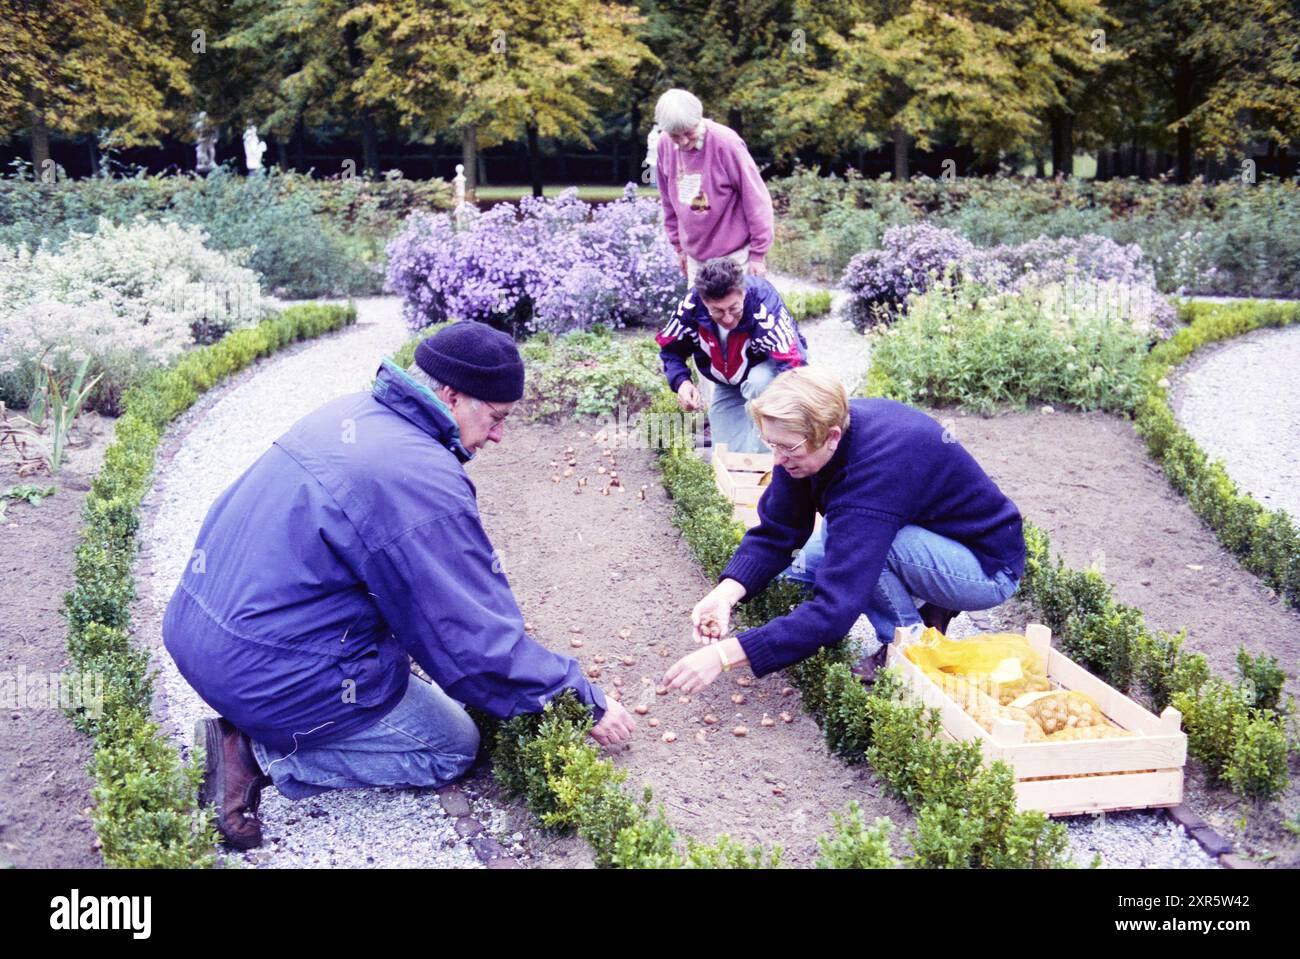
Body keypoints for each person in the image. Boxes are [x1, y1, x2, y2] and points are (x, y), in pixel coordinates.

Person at [164, 322, 634, 850]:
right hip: (266, 668)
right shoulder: (418, 477)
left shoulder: (354, 412)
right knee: (452, 746)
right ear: (452, 395)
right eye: (497, 417)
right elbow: (471, 638)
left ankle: (262, 722)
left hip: (199, 627)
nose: (500, 435)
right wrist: (580, 700)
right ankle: (252, 751)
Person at [663, 366, 1025, 695]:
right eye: (771, 444)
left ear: (832, 436)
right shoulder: (805, 441)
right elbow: (778, 533)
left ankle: (908, 649)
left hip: (985, 566)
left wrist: (724, 655)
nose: (777, 459)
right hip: (921, 528)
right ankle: (934, 609)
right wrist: (724, 595)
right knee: (797, 570)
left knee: (860, 551)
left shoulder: (868, 481)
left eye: (787, 448)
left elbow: (835, 612)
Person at [656, 257, 808, 454]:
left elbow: (793, 364)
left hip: (769, 374)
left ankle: (768, 469)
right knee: (727, 453)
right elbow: (671, 349)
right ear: (704, 301)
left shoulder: (764, 304)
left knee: (757, 384)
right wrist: (682, 382)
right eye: (717, 311)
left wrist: (792, 416)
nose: (727, 318)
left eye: (733, 308)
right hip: (728, 380)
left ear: (743, 293)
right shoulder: (690, 306)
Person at [653, 88, 774, 286]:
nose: (683, 142)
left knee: (734, 314)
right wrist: (679, 247)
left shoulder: (726, 143)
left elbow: (756, 199)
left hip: (735, 255)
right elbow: (668, 200)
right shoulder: (664, 145)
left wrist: (758, 255)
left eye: (688, 133)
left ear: (698, 119)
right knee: (701, 315)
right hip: (695, 256)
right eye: (675, 136)